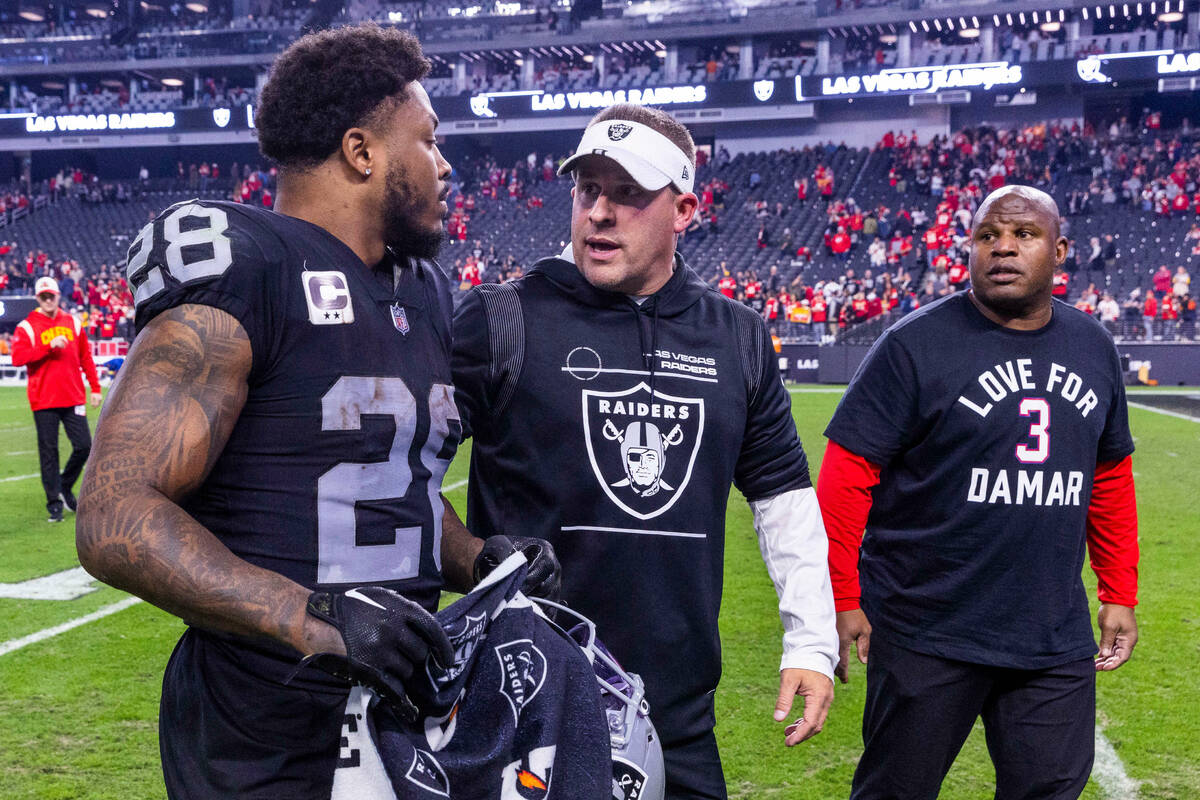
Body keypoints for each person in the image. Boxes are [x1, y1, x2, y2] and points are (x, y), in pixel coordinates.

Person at [75, 25, 558, 799]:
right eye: (428, 141)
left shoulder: (426, 293)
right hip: (261, 734)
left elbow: (385, 492)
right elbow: (111, 514)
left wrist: (480, 560)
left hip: (401, 717)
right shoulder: (250, 267)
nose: (446, 166)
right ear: (362, 152)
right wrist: (313, 619)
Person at [450, 104, 837, 800]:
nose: (600, 212)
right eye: (587, 189)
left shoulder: (737, 338)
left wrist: (810, 643)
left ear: (683, 208)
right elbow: (403, 479)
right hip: (520, 710)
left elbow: (783, 499)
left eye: (628, 193)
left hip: (678, 719)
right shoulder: (499, 317)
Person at [818, 185, 1139, 799]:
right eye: (988, 236)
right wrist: (842, 594)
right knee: (896, 792)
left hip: (1050, 633)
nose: (1004, 248)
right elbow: (845, 480)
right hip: (924, 628)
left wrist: (1119, 589)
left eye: (1024, 234)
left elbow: (1109, 478)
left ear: (1060, 249)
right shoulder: (915, 344)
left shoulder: (1093, 345)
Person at [10, 275, 101, 522]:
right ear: (38, 298)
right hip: (44, 400)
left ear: (58, 295)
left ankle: (64, 485)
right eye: (44, 296)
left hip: (73, 397)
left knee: (84, 446)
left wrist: (95, 387)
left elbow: (86, 358)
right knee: (48, 453)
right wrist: (49, 345)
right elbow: (17, 358)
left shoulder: (73, 322)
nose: (48, 299)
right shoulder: (26, 327)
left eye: (52, 295)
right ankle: (54, 503)